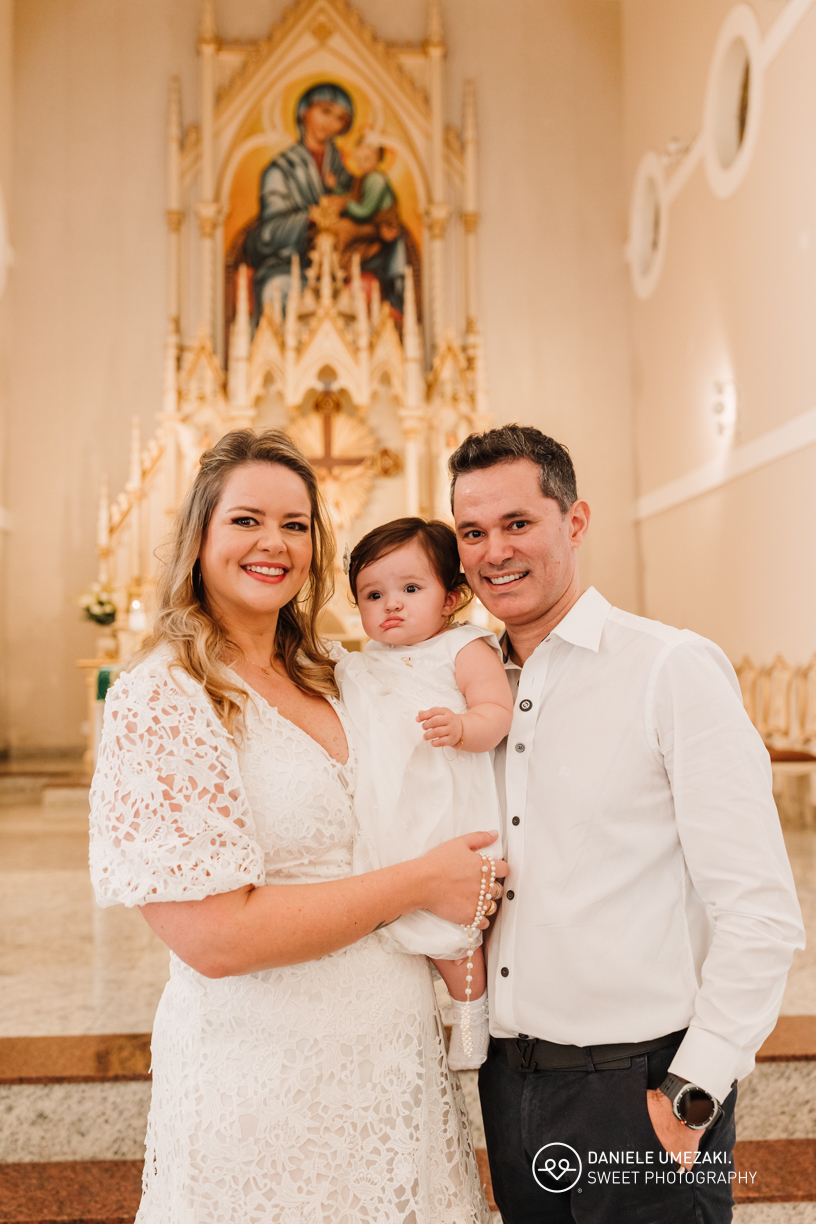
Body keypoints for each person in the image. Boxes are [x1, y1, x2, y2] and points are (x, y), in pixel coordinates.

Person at [88, 429, 504, 1223]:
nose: (274, 543)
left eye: (297, 524)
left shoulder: (337, 672)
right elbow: (215, 938)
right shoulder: (164, 696)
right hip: (264, 1083)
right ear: (199, 537)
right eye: (246, 520)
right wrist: (423, 881)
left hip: (393, 1069)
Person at [448, 424, 805, 1224]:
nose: (493, 551)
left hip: (642, 1090)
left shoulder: (668, 669)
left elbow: (759, 911)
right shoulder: (469, 695)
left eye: (517, 524)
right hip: (511, 1088)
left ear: (574, 523)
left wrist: (692, 1091)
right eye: (472, 532)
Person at [337, 517, 513, 1070]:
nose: (391, 605)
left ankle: (472, 1023)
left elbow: (496, 711)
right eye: (373, 594)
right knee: (395, 905)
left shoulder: (463, 647)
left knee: (456, 932)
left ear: (451, 597)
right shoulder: (360, 664)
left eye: (411, 589)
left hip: (448, 804)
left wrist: (464, 728)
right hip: (393, 810)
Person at [243, 83, 354, 326]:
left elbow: (367, 209)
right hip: (291, 266)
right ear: (305, 112)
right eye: (325, 111)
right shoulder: (280, 170)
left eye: (340, 118)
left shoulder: (348, 171)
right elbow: (266, 236)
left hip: (341, 268)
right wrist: (310, 217)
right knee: (277, 288)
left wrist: (347, 204)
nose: (331, 122)